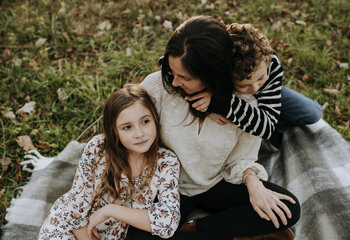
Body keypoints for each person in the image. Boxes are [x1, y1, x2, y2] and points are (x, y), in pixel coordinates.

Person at [140, 16, 300, 240]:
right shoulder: (159, 86)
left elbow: (255, 140)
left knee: (288, 208)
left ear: (211, 76)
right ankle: (231, 234)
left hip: (218, 182)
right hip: (171, 185)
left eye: (184, 76)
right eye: (174, 73)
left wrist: (254, 184)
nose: (175, 81)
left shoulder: (247, 103)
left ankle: (197, 229)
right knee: (134, 233)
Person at [38, 85, 180, 239]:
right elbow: (75, 209)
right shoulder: (98, 149)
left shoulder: (166, 162)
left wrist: (110, 210)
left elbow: (168, 223)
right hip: (72, 227)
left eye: (145, 121)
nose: (139, 133)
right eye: (127, 127)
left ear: (155, 119)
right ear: (114, 131)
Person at [187, 23, 323, 147]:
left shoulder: (271, 64)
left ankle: (256, 125)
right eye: (243, 85)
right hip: (235, 104)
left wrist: (217, 104)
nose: (254, 89)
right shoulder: (216, 67)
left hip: (262, 97)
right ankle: (254, 124)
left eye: (260, 78)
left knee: (313, 113)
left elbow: (267, 127)